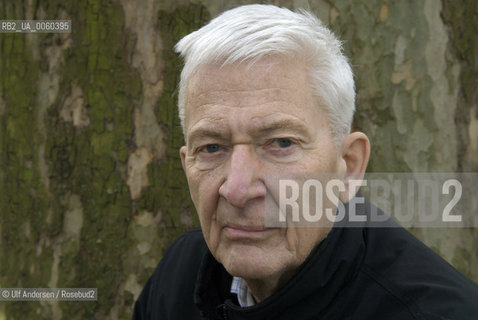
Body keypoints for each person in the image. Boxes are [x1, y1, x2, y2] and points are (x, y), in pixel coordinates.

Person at [133, 4, 478, 319]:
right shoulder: (177, 278)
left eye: (281, 143)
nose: (237, 190)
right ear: (186, 164)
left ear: (348, 166)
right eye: (211, 148)